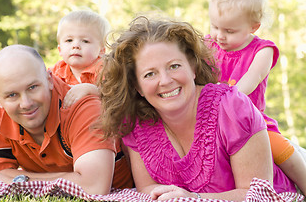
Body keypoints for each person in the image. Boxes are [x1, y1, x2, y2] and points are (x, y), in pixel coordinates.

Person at [98, 15, 297, 201]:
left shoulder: (232, 108)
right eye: (150, 74)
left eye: (174, 66)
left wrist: (193, 198)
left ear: (192, 67)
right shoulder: (136, 123)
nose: (166, 81)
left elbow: (256, 195)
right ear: (136, 86)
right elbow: (148, 189)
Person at [0, 44, 133, 195]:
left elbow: (94, 187)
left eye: (32, 87)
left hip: (121, 190)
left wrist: (21, 179)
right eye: (12, 95)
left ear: (49, 79)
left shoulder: (84, 107)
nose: (26, 103)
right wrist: (75, 179)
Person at [206, 0, 306, 194]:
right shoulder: (208, 46)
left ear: (254, 27)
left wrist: (221, 98)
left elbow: (246, 85)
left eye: (229, 31)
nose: (219, 36)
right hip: (211, 119)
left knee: (280, 149)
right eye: (214, 26)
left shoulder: (263, 51)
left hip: (251, 122)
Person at [50, 10, 109, 107]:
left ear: (101, 50)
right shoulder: (57, 70)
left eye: (85, 41)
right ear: (60, 49)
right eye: (69, 40)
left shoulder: (104, 69)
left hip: (96, 117)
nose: (76, 45)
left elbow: (116, 94)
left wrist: (91, 89)